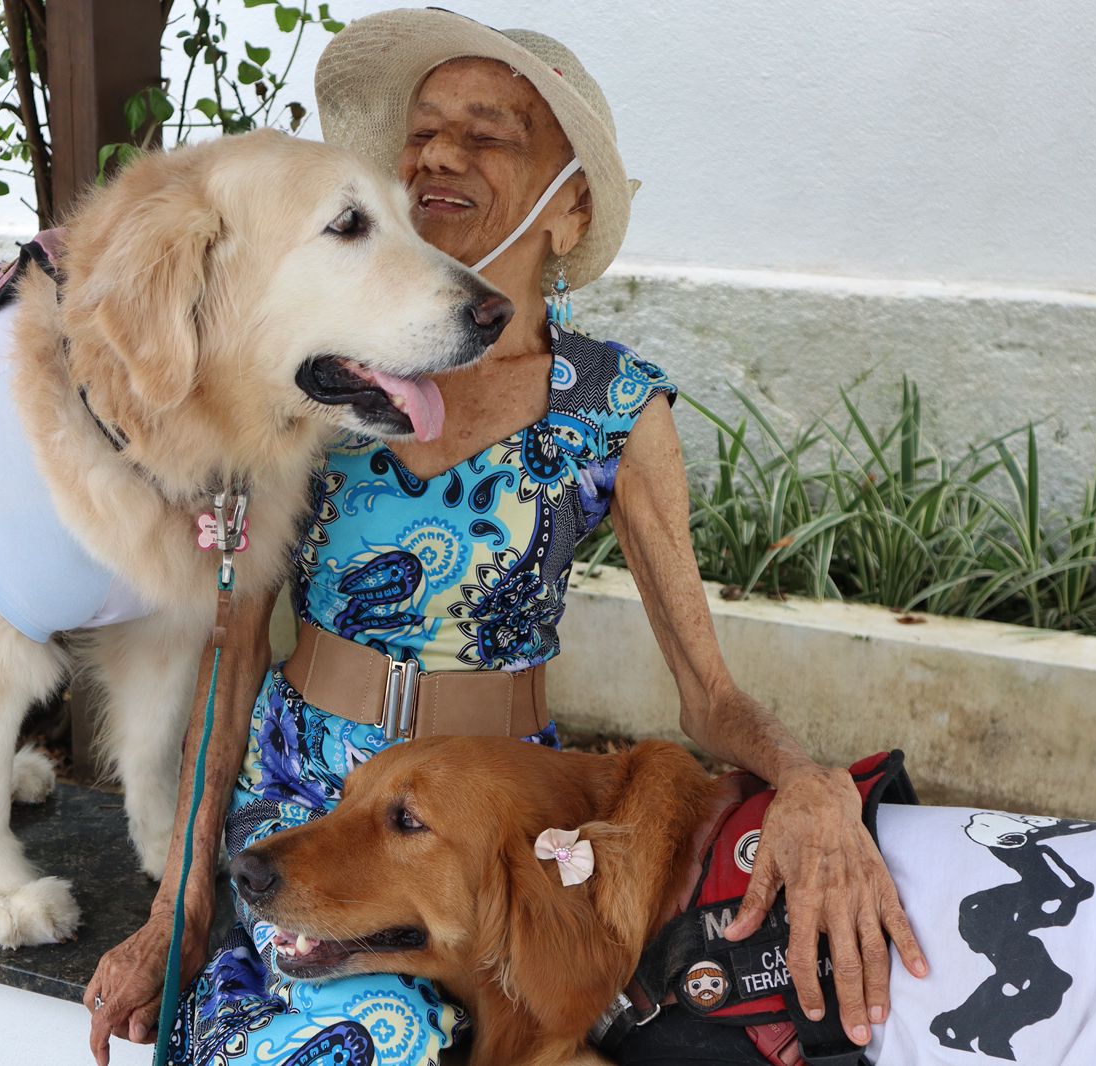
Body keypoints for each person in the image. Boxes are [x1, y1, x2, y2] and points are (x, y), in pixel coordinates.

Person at [86, 10, 928, 1065]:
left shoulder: (611, 406)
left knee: (419, 1031)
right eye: (423, 132)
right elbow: (236, 649)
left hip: (492, 839)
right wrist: (178, 906)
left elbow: (707, 695)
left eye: (487, 134)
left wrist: (808, 784)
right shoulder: (325, 370)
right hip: (303, 799)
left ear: (568, 209)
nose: (440, 153)